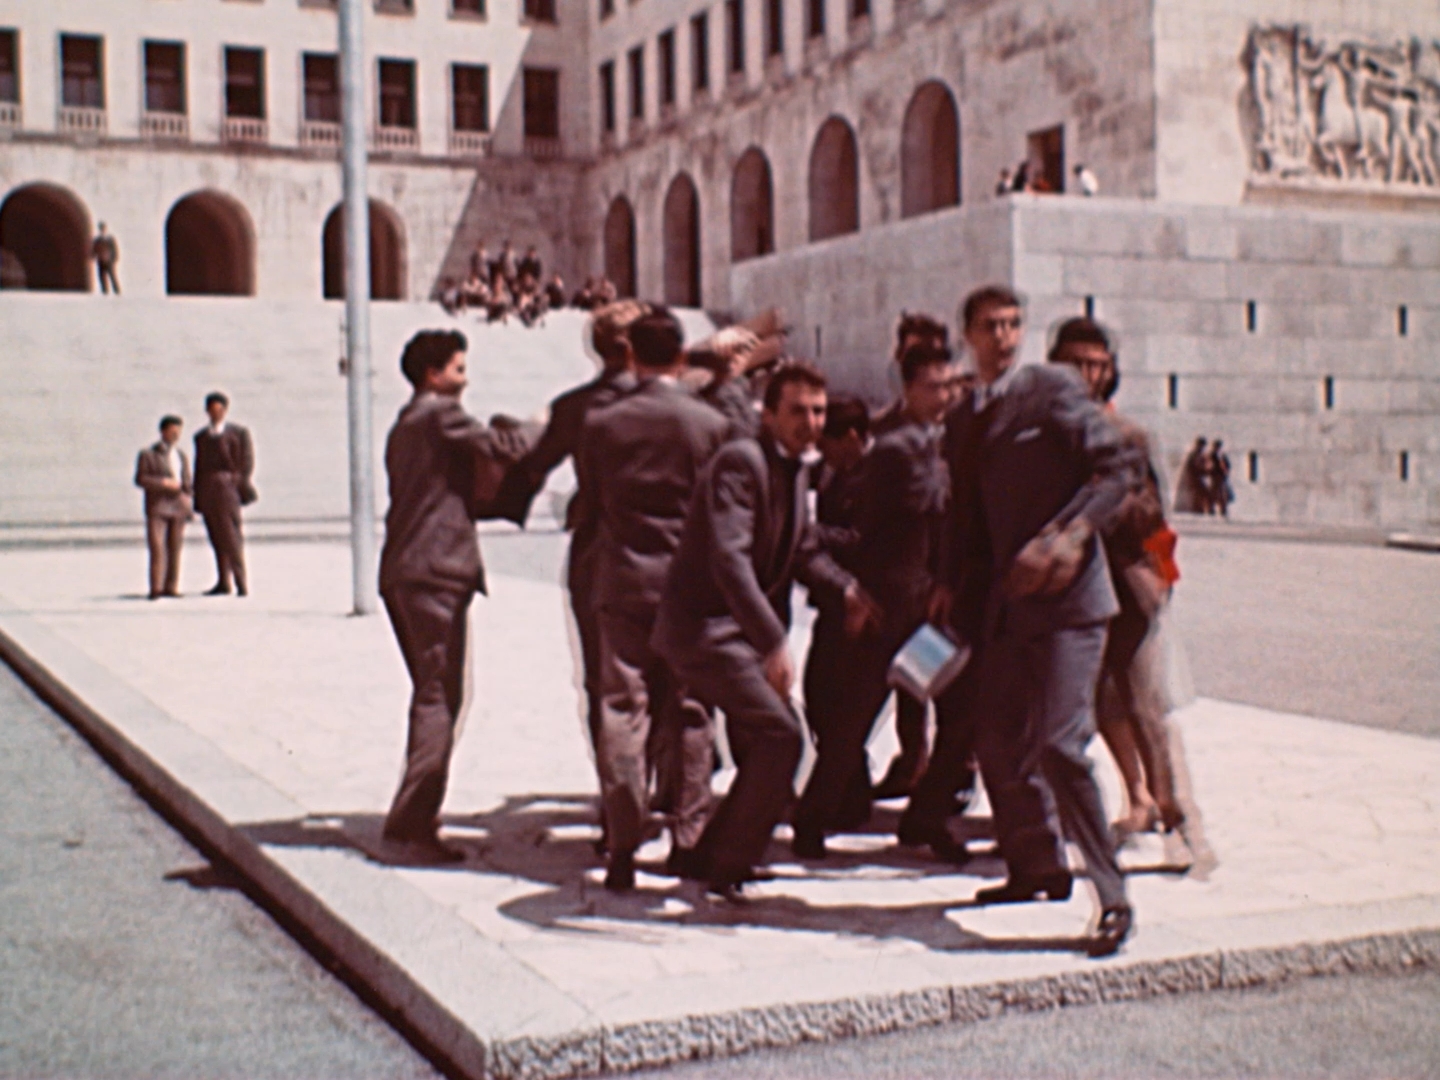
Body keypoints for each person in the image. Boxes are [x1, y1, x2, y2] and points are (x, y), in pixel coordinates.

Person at [937, 285, 1143, 957]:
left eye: (1013, 324)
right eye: (990, 325)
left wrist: (1070, 534)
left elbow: (1116, 471)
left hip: (1071, 603)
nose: (1003, 336)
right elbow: (964, 514)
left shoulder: (1051, 388)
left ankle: (1113, 899)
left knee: (1059, 744)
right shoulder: (967, 413)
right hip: (1005, 607)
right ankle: (1037, 866)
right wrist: (949, 582)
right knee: (997, 742)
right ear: (966, 333)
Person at [652, 363, 877, 900]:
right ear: (769, 413)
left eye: (818, 411)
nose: (810, 422)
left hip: (737, 632)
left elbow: (800, 550)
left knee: (765, 741)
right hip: (706, 630)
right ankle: (728, 863)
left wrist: (845, 588)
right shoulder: (741, 461)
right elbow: (730, 560)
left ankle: (712, 854)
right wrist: (774, 642)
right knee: (783, 734)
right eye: (797, 411)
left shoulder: (798, 469)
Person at [1047, 318, 1215, 875]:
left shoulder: (1130, 437)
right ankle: (1138, 800)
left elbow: (1152, 515)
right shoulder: (1048, 434)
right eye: (1076, 362)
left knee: (1147, 705)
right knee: (1100, 704)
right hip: (1073, 593)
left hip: (1128, 585)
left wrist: (1100, 503)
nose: (1088, 374)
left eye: (1097, 363)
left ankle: (1179, 816)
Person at [578, 307, 732, 891]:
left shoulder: (602, 423)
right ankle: (688, 838)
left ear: (632, 355)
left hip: (623, 581)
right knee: (693, 710)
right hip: (689, 587)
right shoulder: (709, 425)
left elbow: (592, 502)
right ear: (681, 353)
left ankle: (623, 843)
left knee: (622, 711)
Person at [793, 343, 958, 861]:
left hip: (927, 613)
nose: (945, 395)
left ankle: (927, 814)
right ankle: (813, 819)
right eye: (934, 385)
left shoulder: (944, 442)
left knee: (958, 709)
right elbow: (868, 533)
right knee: (854, 721)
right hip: (888, 611)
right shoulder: (891, 451)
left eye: (949, 384)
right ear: (908, 388)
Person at [489, 301, 642, 847]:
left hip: (599, 553)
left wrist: (496, 498)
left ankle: (621, 811)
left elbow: (532, 466)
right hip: (671, 556)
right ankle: (674, 803)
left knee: (606, 685)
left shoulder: (576, 406)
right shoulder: (675, 399)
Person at [376, 329, 513, 863]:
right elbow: (502, 447)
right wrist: (545, 424)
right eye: (458, 368)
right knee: (439, 697)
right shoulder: (439, 414)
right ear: (433, 375)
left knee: (433, 693)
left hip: (407, 570)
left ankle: (410, 815)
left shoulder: (406, 422)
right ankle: (412, 825)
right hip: (435, 573)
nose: (465, 377)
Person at [869, 312, 950, 800]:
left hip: (943, 581)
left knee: (944, 686)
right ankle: (912, 762)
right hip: (900, 583)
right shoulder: (885, 434)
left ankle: (941, 772)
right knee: (901, 684)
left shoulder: (959, 430)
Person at [192, 392, 255, 597]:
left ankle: (241, 582)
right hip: (208, 489)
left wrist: (236, 482)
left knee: (231, 536)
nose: (215, 413)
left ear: (225, 410)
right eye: (211, 410)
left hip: (228, 489)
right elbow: (198, 467)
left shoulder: (238, 433)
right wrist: (197, 496)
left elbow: (246, 462)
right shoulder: (201, 437)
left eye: (219, 409)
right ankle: (223, 581)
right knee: (216, 536)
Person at [134, 415, 192, 600]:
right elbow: (141, 479)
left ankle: (171, 586)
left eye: (178, 432)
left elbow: (187, 481)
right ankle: (156, 587)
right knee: (157, 547)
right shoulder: (148, 454)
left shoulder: (181, 455)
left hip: (178, 505)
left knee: (175, 548)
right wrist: (163, 483)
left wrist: (189, 500)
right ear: (163, 431)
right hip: (157, 506)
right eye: (172, 431)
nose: (175, 435)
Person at [1175, 437, 1209, 514]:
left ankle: (1197, 509)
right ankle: (1195, 509)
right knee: (1196, 494)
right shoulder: (1194, 455)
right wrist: (1207, 470)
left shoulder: (1196, 454)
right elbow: (1197, 468)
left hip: (1193, 480)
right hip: (1192, 480)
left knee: (1199, 494)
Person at [92, 222, 120, 295]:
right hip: (101, 260)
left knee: (112, 276)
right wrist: (94, 256)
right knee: (101, 276)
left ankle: (116, 291)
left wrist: (114, 258)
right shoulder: (97, 240)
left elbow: (114, 249)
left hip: (109, 260)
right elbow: (94, 249)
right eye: (101, 228)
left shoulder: (110, 239)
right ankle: (104, 291)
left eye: (103, 228)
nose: (102, 230)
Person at [1208, 440, 1233, 518]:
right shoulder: (1211, 455)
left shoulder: (1222, 455)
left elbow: (1228, 465)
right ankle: (1211, 510)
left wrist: (1225, 471)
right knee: (1214, 494)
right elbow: (1211, 466)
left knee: (1223, 494)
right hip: (1215, 477)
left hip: (1222, 478)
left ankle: (1223, 510)